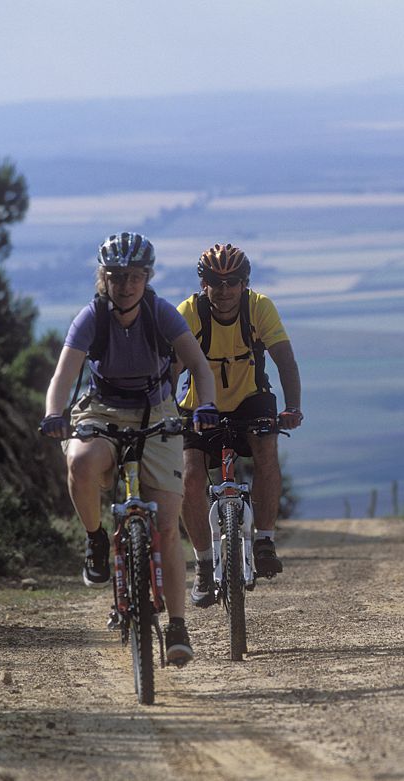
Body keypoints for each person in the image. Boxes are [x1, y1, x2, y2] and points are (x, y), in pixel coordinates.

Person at [40, 231, 218, 665]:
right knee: (80, 463)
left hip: (157, 413)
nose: (126, 285)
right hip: (101, 411)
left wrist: (206, 404)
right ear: (104, 278)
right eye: (117, 276)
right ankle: (96, 540)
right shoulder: (92, 317)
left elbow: (197, 364)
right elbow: (64, 375)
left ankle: (177, 626)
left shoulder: (160, 314)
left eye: (135, 276)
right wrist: (54, 412)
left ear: (146, 277)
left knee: (166, 527)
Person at [175, 243, 303, 608]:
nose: (225, 290)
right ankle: (202, 563)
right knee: (191, 477)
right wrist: (164, 410)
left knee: (266, 451)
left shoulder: (258, 307)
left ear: (245, 283)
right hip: (200, 406)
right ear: (204, 284)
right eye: (217, 282)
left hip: (251, 398)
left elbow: (284, 359)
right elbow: (169, 369)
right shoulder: (190, 312)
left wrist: (293, 407)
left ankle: (263, 540)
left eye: (234, 282)